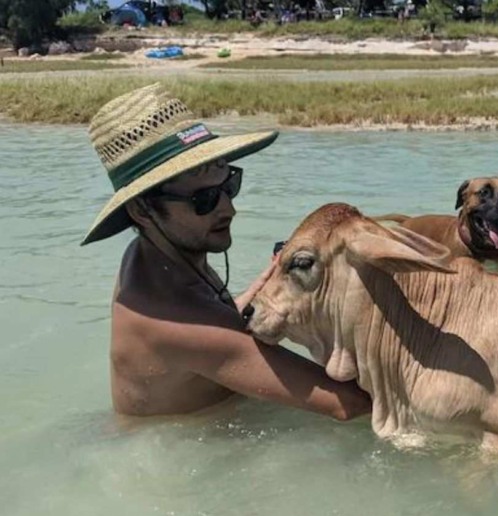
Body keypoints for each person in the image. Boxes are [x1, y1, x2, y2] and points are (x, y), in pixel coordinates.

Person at [81, 83, 371, 419]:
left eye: (228, 185)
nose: (228, 209)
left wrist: (268, 285)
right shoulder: (173, 323)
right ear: (142, 211)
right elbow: (349, 405)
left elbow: (215, 319)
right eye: (203, 199)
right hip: (180, 445)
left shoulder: (153, 258)